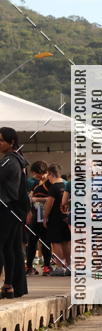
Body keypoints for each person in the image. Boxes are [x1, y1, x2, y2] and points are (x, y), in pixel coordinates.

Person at [0, 127, 29, 298]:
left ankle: (9, 284)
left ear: (11, 143)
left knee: (3, 246)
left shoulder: (9, 161)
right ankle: (9, 285)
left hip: (6, 208)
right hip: (13, 209)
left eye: (1, 140)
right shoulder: (17, 159)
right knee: (10, 247)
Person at [44, 163, 71, 275]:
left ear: (50, 174)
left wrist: (45, 217)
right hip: (66, 216)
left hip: (55, 218)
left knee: (56, 242)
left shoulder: (53, 187)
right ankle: (69, 266)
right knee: (66, 242)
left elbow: (49, 204)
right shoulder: (66, 183)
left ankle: (59, 267)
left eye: (48, 176)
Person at [26, 160, 52, 275]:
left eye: (35, 173)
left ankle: (47, 266)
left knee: (46, 241)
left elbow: (52, 199)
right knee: (32, 242)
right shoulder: (37, 183)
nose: (34, 176)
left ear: (41, 171)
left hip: (45, 215)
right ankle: (29, 266)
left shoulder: (50, 183)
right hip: (35, 214)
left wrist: (37, 199)